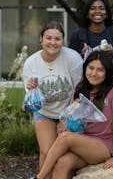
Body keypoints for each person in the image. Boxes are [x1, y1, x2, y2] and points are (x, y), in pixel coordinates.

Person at [32, 50, 113, 179]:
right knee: (62, 163)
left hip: (104, 145)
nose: (94, 73)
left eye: (100, 70)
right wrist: (67, 120)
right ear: (85, 68)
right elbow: (74, 122)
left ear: (107, 72)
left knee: (65, 138)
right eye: (91, 68)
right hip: (82, 142)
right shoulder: (80, 88)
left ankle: (39, 177)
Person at [21, 21, 83, 179]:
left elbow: (81, 91)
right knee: (48, 151)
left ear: (63, 41)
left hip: (70, 111)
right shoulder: (31, 64)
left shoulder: (72, 59)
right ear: (41, 39)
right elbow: (32, 102)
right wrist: (31, 88)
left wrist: (66, 118)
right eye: (48, 38)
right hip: (45, 113)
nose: (53, 42)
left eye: (57, 39)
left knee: (64, 156)